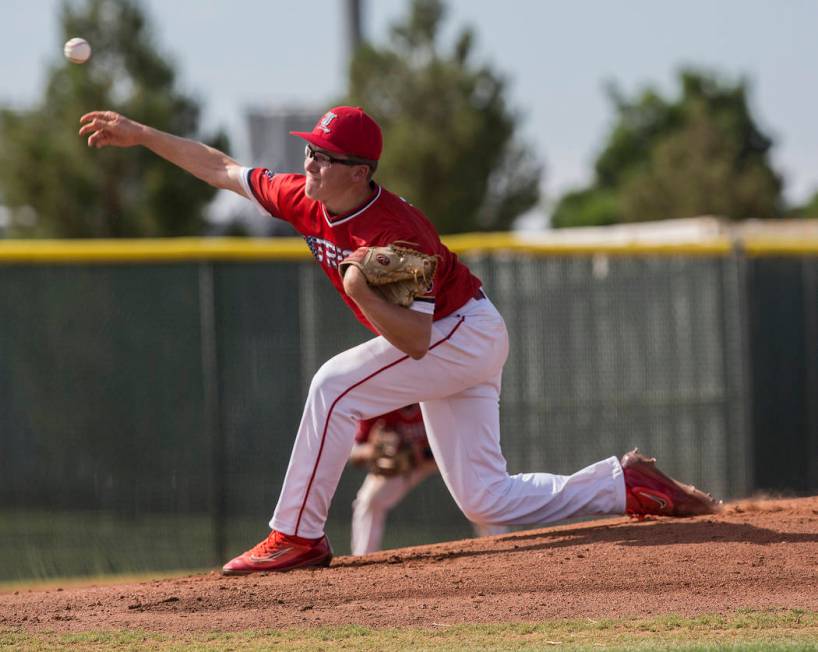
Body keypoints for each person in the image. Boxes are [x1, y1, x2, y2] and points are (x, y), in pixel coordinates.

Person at [78, 105, 721, 575]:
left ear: (359, 173)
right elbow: (219, 167)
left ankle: (296, 535)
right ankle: (626, 484)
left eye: (324, 157)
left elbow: (414, 340)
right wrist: (139, 135)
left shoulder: (394, 230)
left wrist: (360, 290)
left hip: (457, 333)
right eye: (310, 151)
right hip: (462, 333)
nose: (309, 163)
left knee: (333, 387)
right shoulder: (306, 198)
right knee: (484, 497)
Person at [349, 404, 507, 556]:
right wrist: (372, 450)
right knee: (369, 500)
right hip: (405, 467)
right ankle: (363, 557)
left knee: (480, 491)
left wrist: (421, 453)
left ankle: (500, 546)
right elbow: (355, 453)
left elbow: (463, 439)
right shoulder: (379, 401)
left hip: (448, 458)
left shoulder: (436, 393)